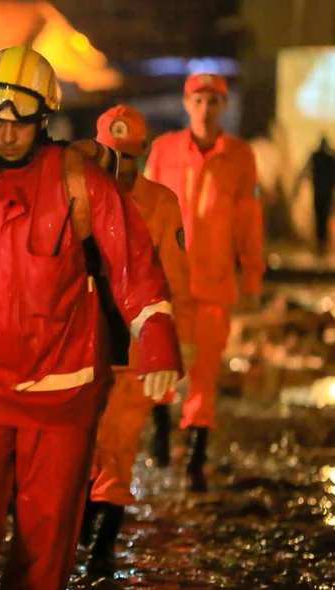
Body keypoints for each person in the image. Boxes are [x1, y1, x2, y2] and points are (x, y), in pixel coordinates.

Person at [0, 45, 181, 589]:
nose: (8, 133)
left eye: (20, 121)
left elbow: (134, 265)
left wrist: (158, 344)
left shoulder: (82, 183)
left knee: (47, 537)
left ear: (43, 119)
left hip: (64, 392)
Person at [71, 105, 195, 578]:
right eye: (110, 155)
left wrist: (179, 343)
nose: (118, 166)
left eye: (126, 156)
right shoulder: (73, 195)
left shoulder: (160, 204)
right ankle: (81, 520)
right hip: (79, 347)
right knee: (82, 443)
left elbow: (176, 279)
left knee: (118, 446)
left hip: (135, 351)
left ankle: (102, 545)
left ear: (141, 153)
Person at [144, 72, 264, 491]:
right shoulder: (163, 150)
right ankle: (160, 426)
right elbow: (148, 211)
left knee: (205, 372)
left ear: (224, 106)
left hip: (213, 284)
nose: (205, 108)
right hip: (170, 281)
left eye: (214, 101)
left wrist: (252, 272)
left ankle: (196, 453)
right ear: (185, 102)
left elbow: (249, 218)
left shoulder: (239, 155)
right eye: (198, 99)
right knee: (161, 360)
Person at [292, 137, 335, 253]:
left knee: (320, 215)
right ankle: (321, 241)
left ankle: (321, 241)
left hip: (321, 191)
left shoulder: (319, 156)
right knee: (321, 216)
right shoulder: (328, 157)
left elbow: (305, 170)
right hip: (322, 191)